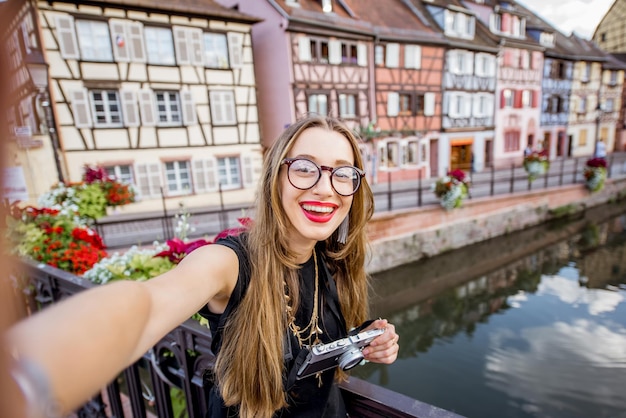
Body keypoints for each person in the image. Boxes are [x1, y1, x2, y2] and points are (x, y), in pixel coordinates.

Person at [4, 115, 399, 418]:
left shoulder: (329, 258)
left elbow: (311, 348)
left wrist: (363, 344)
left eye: (343, 173)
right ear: (275, 177)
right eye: (304, 168)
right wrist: (33, 372)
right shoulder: (228, 263)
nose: (326, 187)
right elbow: (146, 305)